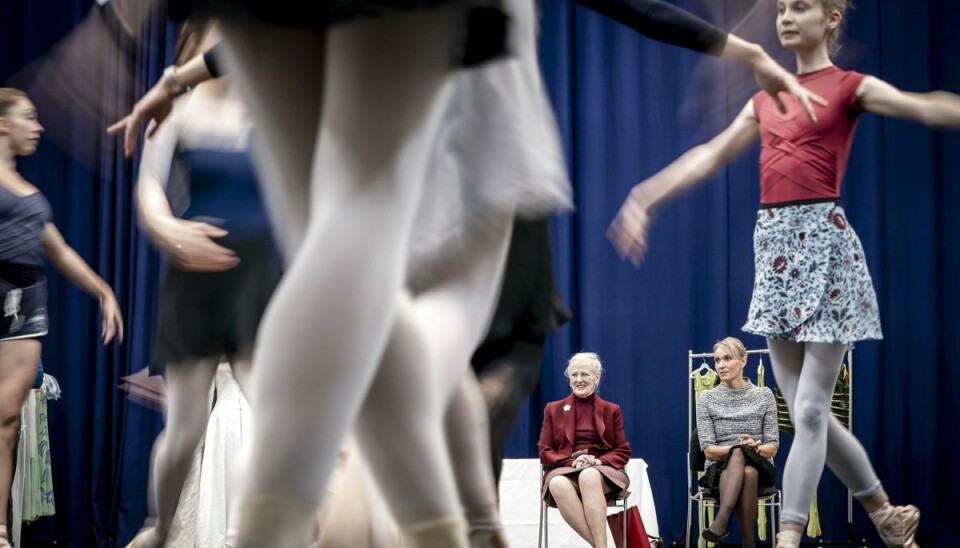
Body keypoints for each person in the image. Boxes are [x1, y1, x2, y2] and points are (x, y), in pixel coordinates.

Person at [106, 3, 828, 546]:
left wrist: (180, 74)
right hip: (448, 119)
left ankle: (433, 522)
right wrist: (746, 53)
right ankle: (435, 523)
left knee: (372, 310)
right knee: (401, 331)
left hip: (412, 108)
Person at [608, 1, 960, 546]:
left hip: (827, 253)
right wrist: (645, 195)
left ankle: (788, 539)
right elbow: (708, 154)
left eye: (801, 7)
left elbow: (924, 106)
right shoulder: (763, 99)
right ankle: (886, 514)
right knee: (802, 412)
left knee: (813, 408)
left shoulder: (849, 86)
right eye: (781, 8)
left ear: (833, 18)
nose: (786, 17)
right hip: (774, 254)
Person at [124, 19, 281, 548]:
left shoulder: (267, 107)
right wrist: (167, 228)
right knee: (186, 426)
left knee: (277, 411)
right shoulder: (177, 111)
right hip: (195, 275)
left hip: (257, 275)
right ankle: (161, 525)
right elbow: (149, 188)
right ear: (192, 49)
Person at [0, 87, 123, 547]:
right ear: (2, 124)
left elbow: (62, 252)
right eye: (28, 117)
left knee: (6, 420)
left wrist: (102, 290)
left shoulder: (31, 196)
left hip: (25, 308)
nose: (38, 126)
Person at [538, 352, 631, 548]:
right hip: (566, 467)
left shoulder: (611, 410)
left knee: (588, 475)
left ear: (596, 377)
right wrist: (571, 462)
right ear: (569, 378)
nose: (579, 380)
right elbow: (545, 450)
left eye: (585, 375)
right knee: (557, 483)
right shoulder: (553, 409)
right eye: (574, 375)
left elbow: (622, 450)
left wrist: (598, 461)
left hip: (602, 471)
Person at [696, 337, 778, 547]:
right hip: (719, 469)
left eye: (727, 359)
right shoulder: (706, 399)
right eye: (717, 360)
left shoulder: (764, 395)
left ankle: (721, 522)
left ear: (743, 361)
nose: (720, 365)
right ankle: (748, 543)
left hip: (760, 466)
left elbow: (772, 447)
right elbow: (708, 451)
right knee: (741, 460)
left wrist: (756, 447)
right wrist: (736, 449)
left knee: (748, 463)